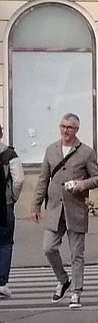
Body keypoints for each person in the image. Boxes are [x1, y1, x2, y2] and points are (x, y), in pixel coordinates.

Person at [32, 113, 98, 310]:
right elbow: (43, 179)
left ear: (76, 130)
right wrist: (36, 205)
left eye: (70, 127)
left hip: (76, 209)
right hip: (55, 208)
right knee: (48, 248)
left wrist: (82, 184)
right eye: (63, 126)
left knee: (76, 254)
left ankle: (76, 293)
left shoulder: (87, 152)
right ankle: (63, 280)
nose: (65, 130)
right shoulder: (51, 150)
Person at [0, 125, 25, 299]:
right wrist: (13, 198)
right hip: (4, 203)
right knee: (5, 242)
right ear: (1, 133)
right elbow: (18, 180)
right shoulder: (9, 154)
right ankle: (2, 283)